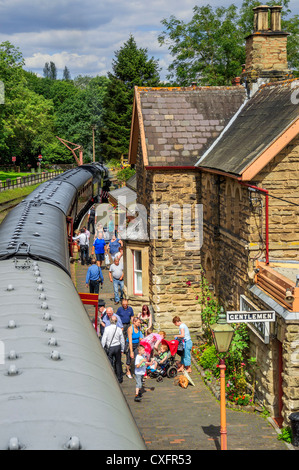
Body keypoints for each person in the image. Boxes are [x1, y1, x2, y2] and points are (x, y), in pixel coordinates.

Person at [101, 315, 125, 383]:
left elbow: (104, 339)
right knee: (118, 363)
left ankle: (110, 378)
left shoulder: (107, 329)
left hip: (110, 347)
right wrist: (122, 349)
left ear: (110, 321)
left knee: (110, 362)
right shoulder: (119, 329)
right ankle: (119, 378)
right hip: (117, 346)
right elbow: (122, 340)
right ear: (116, 321)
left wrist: (102, 347)